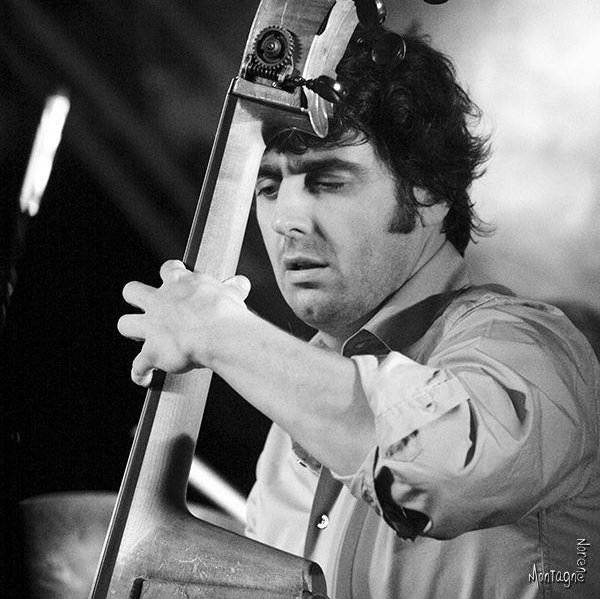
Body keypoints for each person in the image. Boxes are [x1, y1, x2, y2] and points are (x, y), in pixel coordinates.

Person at [118, 29, 600, 598]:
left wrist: (220, 333)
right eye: (268, 187)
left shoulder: (533, 347)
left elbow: (444, 468)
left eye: (327, 182)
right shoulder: (294, 419)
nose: (285, 220)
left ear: (426, 193)